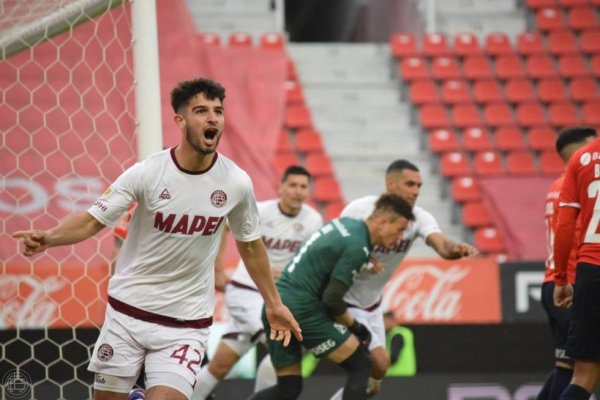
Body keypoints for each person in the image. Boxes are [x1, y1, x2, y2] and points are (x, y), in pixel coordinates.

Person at [13, 77, 301, 400]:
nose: (212, 119)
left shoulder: (236, 182)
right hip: (127, 313)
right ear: (180, 120)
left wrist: (274, 304)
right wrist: (49, 237)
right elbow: (93, 221)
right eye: (201, 111)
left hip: (186, 324)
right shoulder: (147, 173)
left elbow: (250, 245)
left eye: (218, 111)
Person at [331, 159, 478, 398]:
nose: (416, 191)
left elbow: (440, 244)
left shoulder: (419, 217)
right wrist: (364, 260)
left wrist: (456, 249)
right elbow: (335, 249)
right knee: (372, 365)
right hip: (340, 302)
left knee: (374, 382)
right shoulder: (359, 209)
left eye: (419, 186)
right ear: (391, 184)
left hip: (372, 305)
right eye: (410, 184)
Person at [248, 193, 416, 400]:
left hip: (277, 305)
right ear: (381, 222)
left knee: (288, 388)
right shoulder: (358, 246)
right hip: (302, 309)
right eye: (399, 229)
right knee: (362, 365)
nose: (400, 238)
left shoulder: (344, 224)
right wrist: (356, 327)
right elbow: (332, 299)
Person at [193, 165, 323, 400]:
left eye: (303, 187)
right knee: (283, 343)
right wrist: (218, 268)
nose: (298, 191)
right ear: (281, 187)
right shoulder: (261, 210)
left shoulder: (313, 220)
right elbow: (224, 225)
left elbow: (311, 259)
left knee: (220, 366)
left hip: (276, 297)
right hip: (246, 290)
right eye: (293, 185)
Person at [538, 127, 597, 400]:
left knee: (574, 369)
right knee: (577, 370)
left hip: (570, 279)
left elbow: (564, 227)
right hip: (572, 279)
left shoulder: (557, 186)